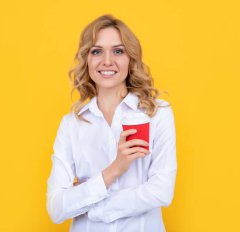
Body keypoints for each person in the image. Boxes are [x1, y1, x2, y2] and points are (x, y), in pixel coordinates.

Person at [46, 14, 177, 232]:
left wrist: (90, 204)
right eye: (97, 51)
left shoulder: (157, 114)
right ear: (87, 59)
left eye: (118, 51)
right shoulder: (72, 125)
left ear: (130, 59)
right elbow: (56, 208)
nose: (107, 61)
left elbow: (161, 191)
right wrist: (116, 168)